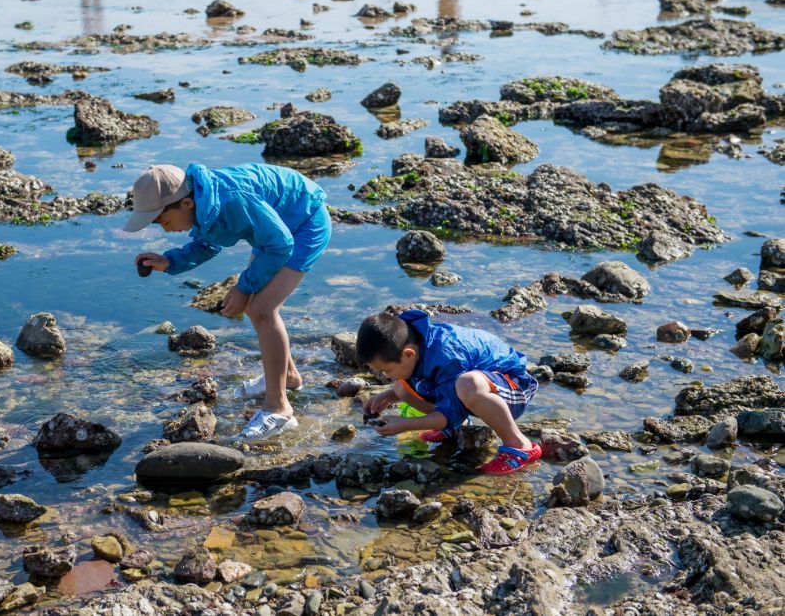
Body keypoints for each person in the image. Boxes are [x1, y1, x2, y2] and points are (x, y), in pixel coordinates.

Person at [126, 163, 331, 440]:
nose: (164, 229)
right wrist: (171, 260)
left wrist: (244, 286)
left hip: (304, 223)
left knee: (262, 307)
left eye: (163, 221)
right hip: (273, 230)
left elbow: (281, 244)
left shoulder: (231, 199)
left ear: (185, 203)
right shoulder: (202, 203)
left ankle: (279, 408)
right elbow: (207, 244)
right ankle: (288, 377)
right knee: (256, 305)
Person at [358, 310, 541, 474]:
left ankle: (519, 445)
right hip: (473, 387)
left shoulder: (447, 354)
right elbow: (426, 389)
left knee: (468, 384)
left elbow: (448, 411)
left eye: (385, 370)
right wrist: (389, 396)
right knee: (400, 387)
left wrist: (406, 424)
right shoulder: (414, 342)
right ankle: (454, 429)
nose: (385, 376)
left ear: (408, 354)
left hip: (514, 387)